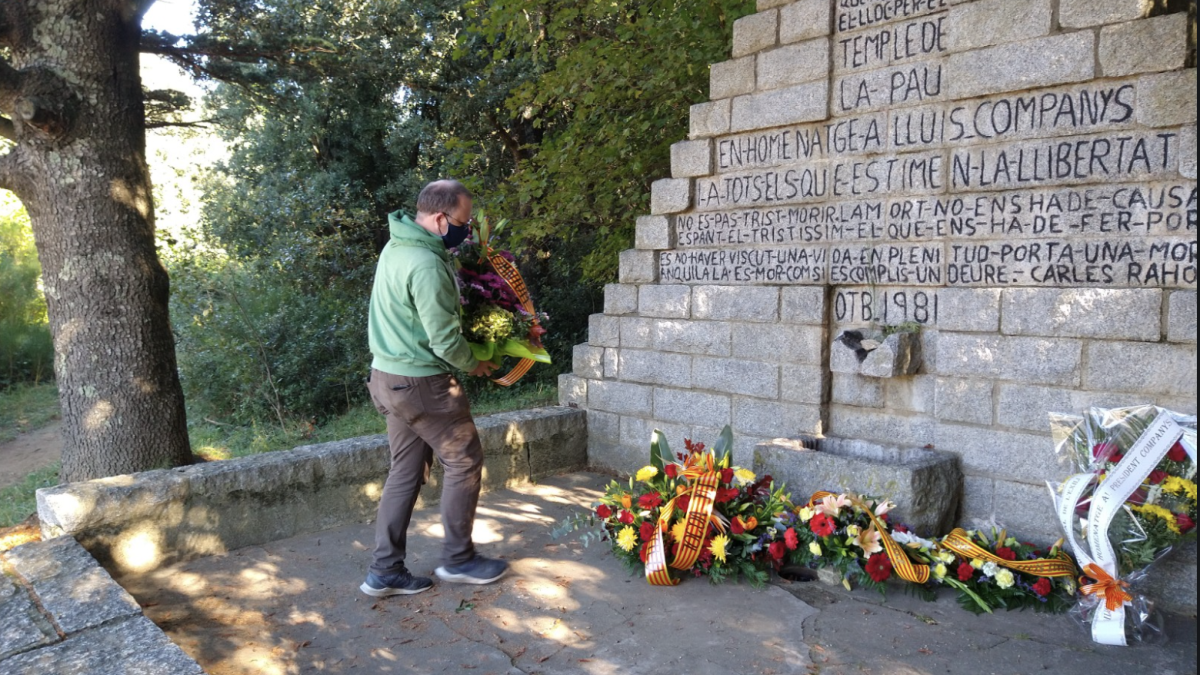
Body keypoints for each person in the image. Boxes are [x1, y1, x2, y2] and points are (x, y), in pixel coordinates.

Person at [360, 179, 507, 597]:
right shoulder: (425, 264)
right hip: (423, 383)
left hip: (386, 379)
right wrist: (477, 363)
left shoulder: (397, 247)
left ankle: (384, 570)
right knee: (463, 462)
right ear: (441, 218)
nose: (467, 229)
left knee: (404, 471)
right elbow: (444, 341)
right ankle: (459, 560)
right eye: (464, 221)